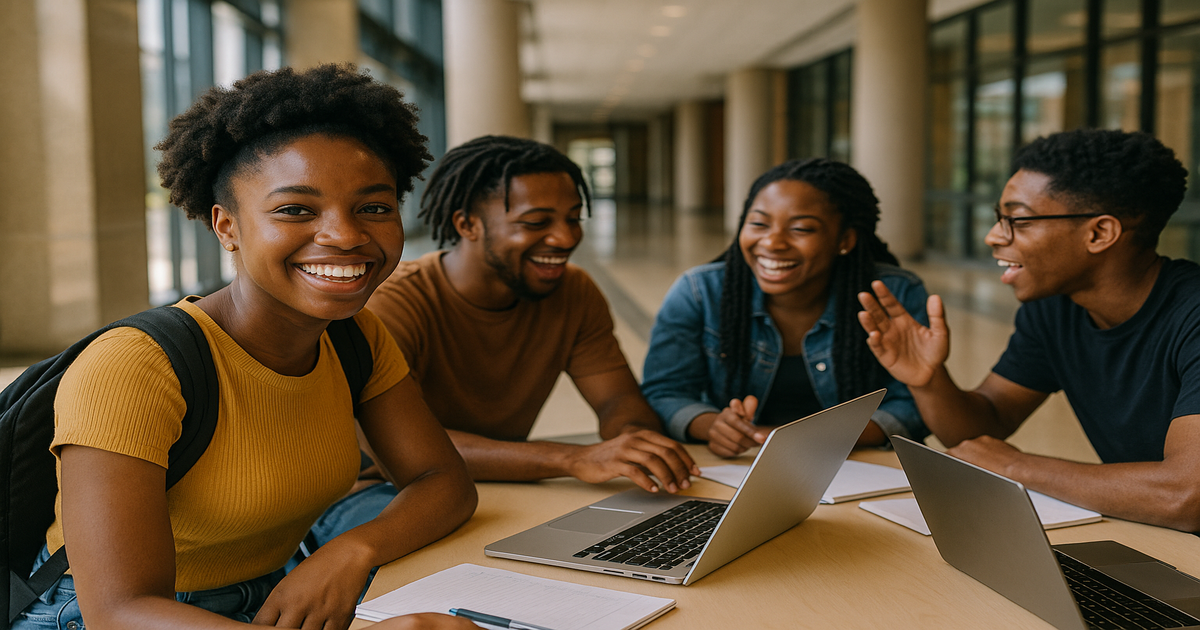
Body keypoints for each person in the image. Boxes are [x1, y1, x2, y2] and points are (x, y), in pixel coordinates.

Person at [13, 64, 478, 630]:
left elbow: (444, 483)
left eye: (374, 207)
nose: (346, 235)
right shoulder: (134, 366)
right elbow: (121, 611)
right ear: (227, 227)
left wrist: (348, 552)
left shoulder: (355, 337)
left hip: (267, 595)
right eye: (295, 210)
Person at [313, 136, 697, 544]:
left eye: (573, 218)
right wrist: (573, 458)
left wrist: (633, 441)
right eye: (536, 223)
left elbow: (616, 400)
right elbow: (405, 458)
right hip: (377, 491)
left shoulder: (573, 291)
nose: (565, 239)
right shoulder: (395, 303)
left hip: (502, 481)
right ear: (467, 225)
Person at [857, 128, 1200, 532]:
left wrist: (1017, 465)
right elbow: (983, 429)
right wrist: (929, 380)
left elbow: (1185, 495)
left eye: (1017, 220)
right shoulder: (1057, 308)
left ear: (1099, 233)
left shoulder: (1190, 314)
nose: (993, 236)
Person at [640, 158, 930, 458]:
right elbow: (664, 392)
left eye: (801, 229)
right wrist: (714, 426)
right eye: (758, 224)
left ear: (844, 239)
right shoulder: (699, 292)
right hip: (737, 467)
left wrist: (822, 439)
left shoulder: (893, 295)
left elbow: (915, 404)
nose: (773, 242)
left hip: (854, 469)